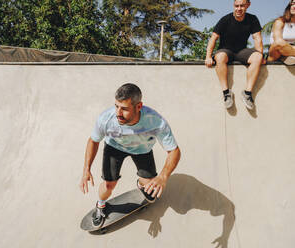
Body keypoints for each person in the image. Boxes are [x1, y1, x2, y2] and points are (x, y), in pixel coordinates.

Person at [79, 83, 181, 227]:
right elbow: (93, 141)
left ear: (139, 107)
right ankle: (100, 205)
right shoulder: (106, 119)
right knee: (109, 185)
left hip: (142, 150)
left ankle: (141, 183)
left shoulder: (156, 121)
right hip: (114, 148)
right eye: (116, 106)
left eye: (125, 109)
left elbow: (174, 151)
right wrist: (86, 169)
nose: (118, 113)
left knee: (151, 188)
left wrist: (163, 177)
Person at [205, 0, 264, 110]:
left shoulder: (252, 19)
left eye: (242, 6)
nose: (239, 9)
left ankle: (247, 93)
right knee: (220, 56)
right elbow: (213, 38)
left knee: (258, 57)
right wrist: (208, 56)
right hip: (225, 51)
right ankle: (227, 93)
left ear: (248, 5)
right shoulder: (225, 20)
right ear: (234, 6)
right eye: (236, 6)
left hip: (242, 51)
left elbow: (257, 38)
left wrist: (260, 54)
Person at [268, 0, 295, 65]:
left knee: (290, 59)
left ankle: (288, 57)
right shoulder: (280, 21)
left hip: (290, 51)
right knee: (279, 43)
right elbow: (278, 41)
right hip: (276, 51)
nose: (294, 6)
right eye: (292, 4)